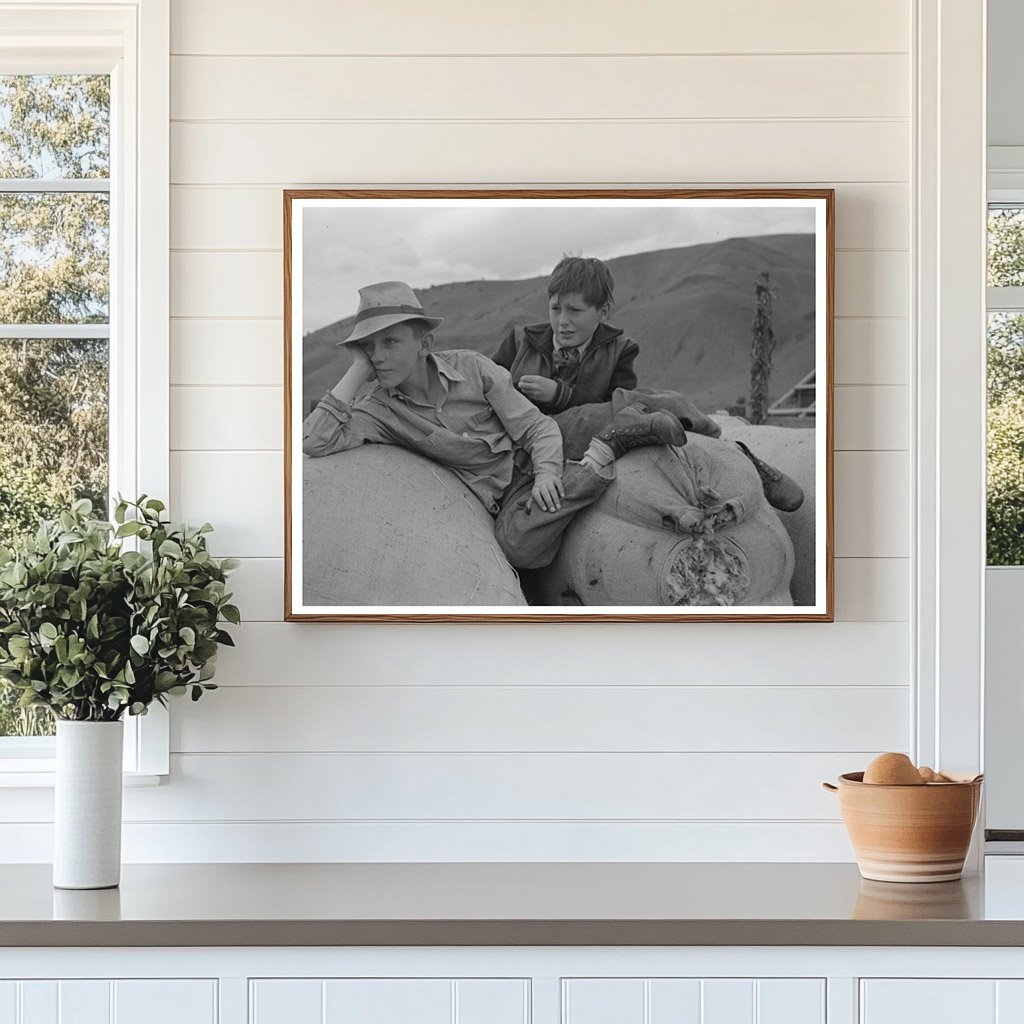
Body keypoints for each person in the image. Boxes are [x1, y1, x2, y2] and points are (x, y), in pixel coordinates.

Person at [302, 281, 685, 571]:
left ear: (424, 344)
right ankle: (605, 452)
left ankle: (666, 422)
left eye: (389, 342)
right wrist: (357, 370)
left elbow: (538, 427)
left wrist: (548, 473)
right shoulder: (378, 412)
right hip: (506, 492)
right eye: (368, 347)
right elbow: (313, 441)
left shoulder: (471, 367)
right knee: (518, 548)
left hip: (546, 443)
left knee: (600, 414)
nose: (378, 356)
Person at [492, 255, 804, 513]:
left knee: (638, 403)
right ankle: (716, 440)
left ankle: (735, 454)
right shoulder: (521, 340)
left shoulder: (620, 349)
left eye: (575, 311)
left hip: (592, 430)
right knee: (652, 404)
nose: (562, 321)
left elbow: (616, 404)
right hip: (531, 438)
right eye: (555, 308)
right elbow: (486, 388)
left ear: (603, 311)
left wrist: (560, 394)